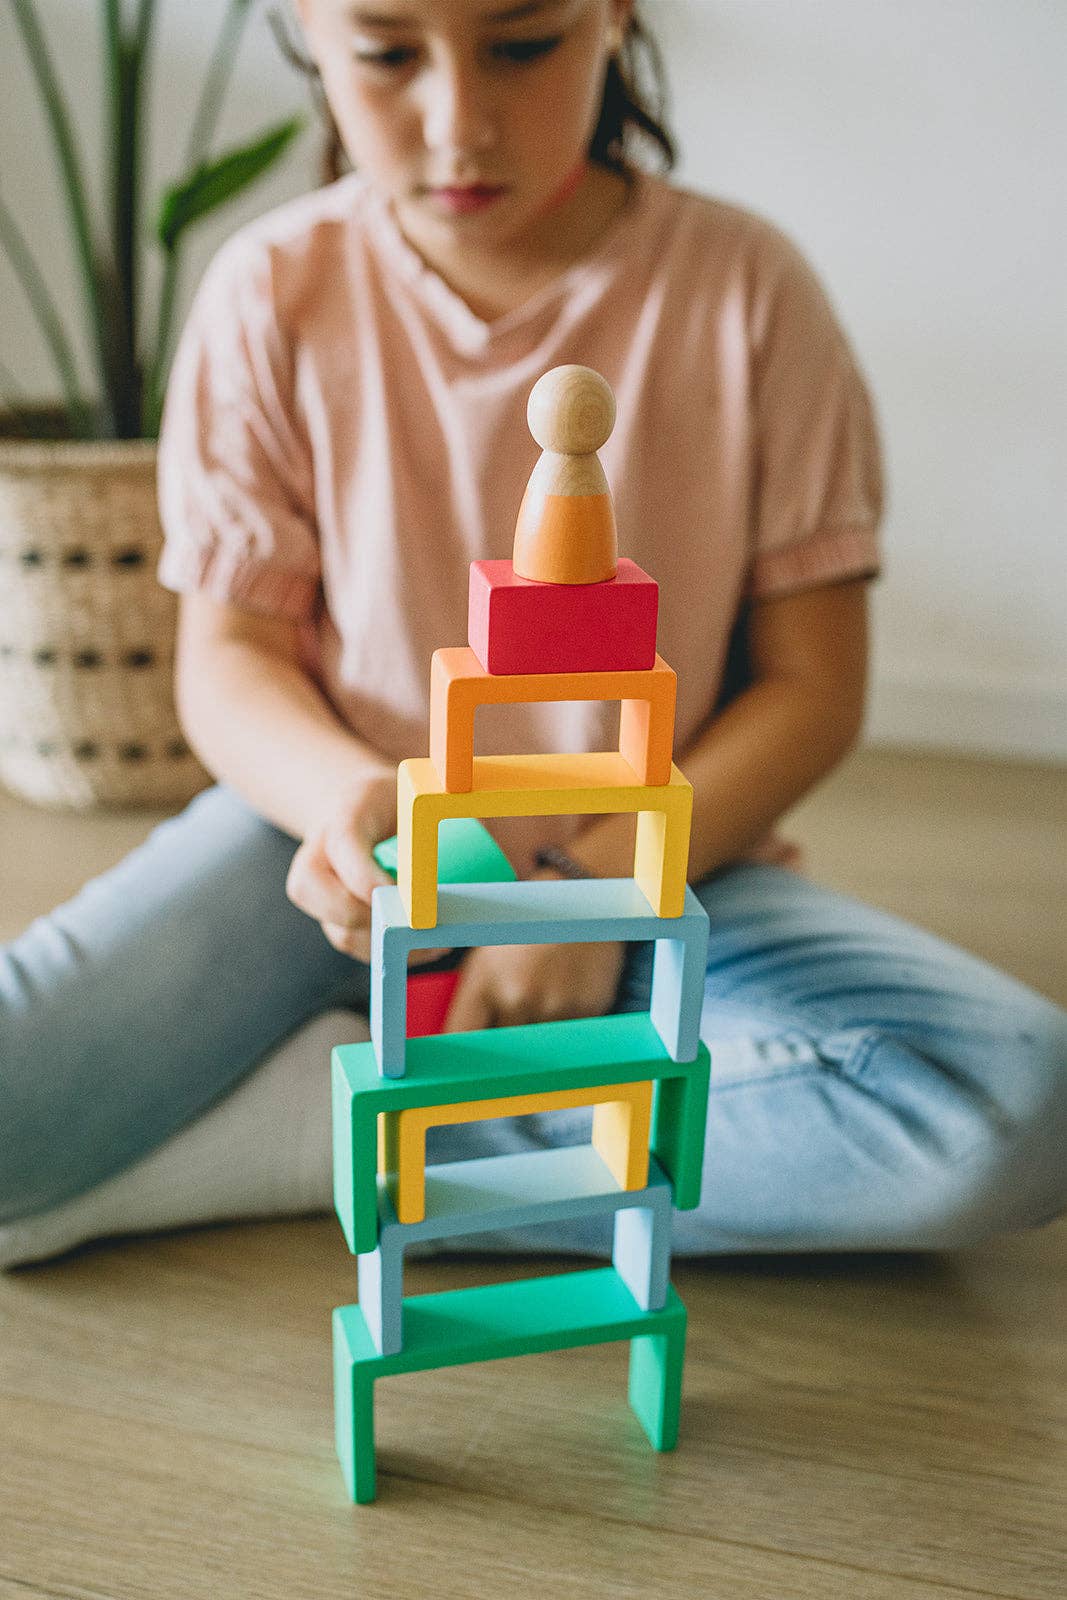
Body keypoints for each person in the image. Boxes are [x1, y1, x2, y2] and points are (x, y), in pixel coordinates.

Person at [1, 0, 1064, 1269]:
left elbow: (811, 688)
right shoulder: (269, 290)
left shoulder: (746, 289)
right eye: (386, 54)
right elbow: (229, 659)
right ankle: (423, 1095)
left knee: (1005, 1111)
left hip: (663, 855)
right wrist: (346, 806)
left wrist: (597, 896)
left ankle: (330, 1137)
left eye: (520, 45)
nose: (460, 124)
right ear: (306, 29)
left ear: (610, 17)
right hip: (328, 846)